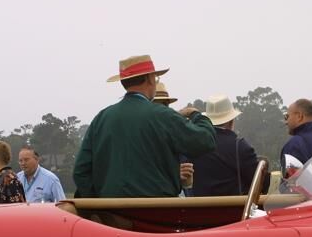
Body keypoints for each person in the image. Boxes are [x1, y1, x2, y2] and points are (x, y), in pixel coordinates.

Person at [74, 55, 216, 197]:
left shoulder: (101, 118)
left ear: (124, 82)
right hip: (157, 213)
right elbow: (205, 141)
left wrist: (99, 204)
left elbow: (80, 172)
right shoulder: (163, 115)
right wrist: (197, 115)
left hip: (111, 214)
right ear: (150, 78)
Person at [188, 95, 270, 197]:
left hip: (198, 211)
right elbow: (260, 183)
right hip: (234, 211)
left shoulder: (193, 145)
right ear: (231, 121)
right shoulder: (240, 147)